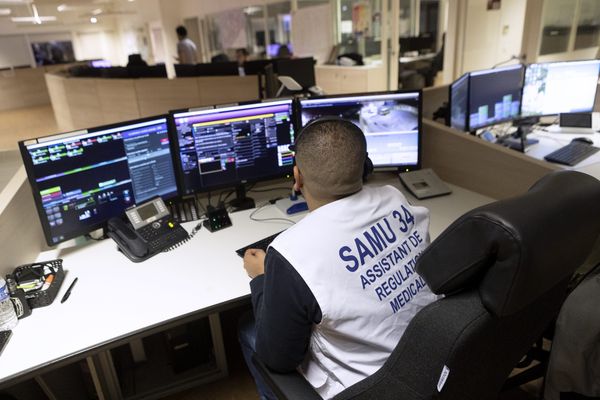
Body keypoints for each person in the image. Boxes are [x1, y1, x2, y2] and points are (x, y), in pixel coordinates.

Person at [239, 117, 438, 400]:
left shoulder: (291, 251)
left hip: (369, 390)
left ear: (297, 177)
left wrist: (261, 279)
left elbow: (278, 359)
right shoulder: (396, 199)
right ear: (365, 166)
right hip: (427, 362)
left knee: (248, 328)